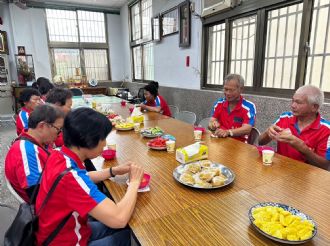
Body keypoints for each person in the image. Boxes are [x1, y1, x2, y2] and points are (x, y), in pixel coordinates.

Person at [36, 108, 144, 245]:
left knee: (127, 228)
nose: (105, 144)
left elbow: (83, 177)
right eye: (103, 138)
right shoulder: (70, 177)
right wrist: (134, 182)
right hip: (64, 240)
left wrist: (113, 171)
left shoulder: (59, 155)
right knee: (127, 235)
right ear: (88, 140)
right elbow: (119, 219)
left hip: (64, 228)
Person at [259, 85, 330, 170]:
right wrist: (268, 133)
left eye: (298, 102)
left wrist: (303, 148)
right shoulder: (285, 117)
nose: (293, 105)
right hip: (280, 170)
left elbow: (325, 166)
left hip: (307, 177)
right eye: (292, 101)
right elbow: (260, 142)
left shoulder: (326, 130)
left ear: (314, 107)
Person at [5, 104, 65, 203]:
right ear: (42, 126)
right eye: (58, 129)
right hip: (48, 208)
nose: (59, 135)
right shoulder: (28, 151)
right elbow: (37, 196)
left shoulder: (39, 141)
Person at [208, 74, 256, 142]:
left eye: (231, 90)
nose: (227, 93)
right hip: (219, 141)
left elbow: (247, 129)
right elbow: (211, 122)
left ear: (241, 89)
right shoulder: (219, 103)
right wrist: (213, 125)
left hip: (239, 145)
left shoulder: (249, 107)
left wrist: (228, 132)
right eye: (225, 89)